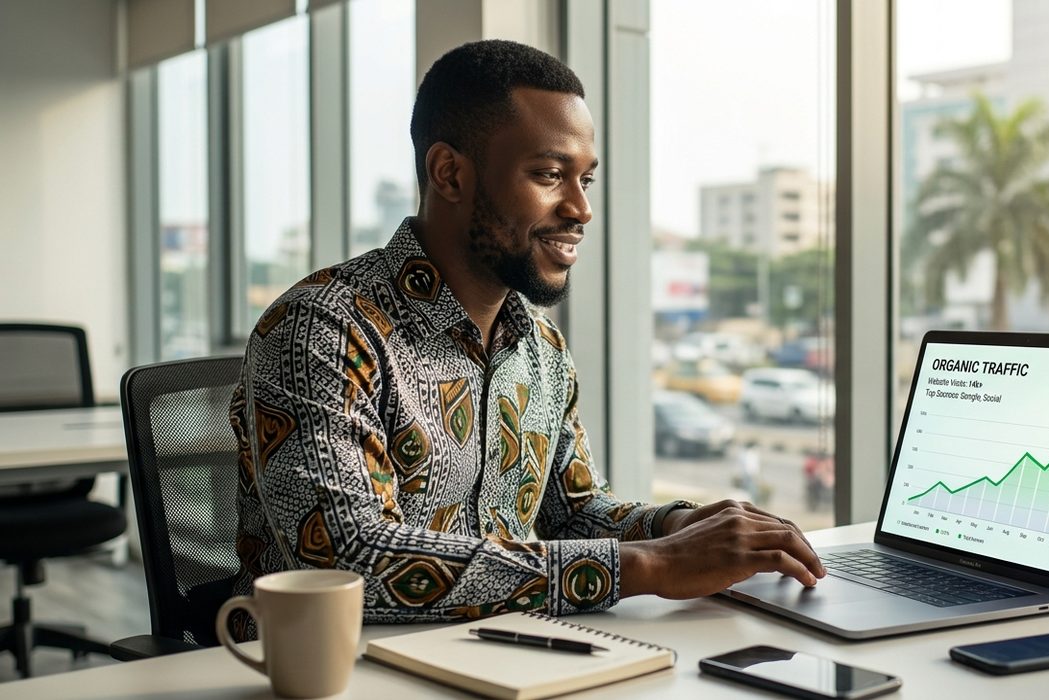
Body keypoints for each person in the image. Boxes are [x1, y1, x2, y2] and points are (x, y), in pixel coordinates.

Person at [228, 40, 823, 637]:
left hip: (494, 657)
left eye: (585, 179)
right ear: (450, 173)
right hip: (334, 674)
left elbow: (574, 511)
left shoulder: (541, 347)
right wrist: (649, 565)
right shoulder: (323, 328)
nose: (581, 208)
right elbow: (343, 559)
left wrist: (681, 527)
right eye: (548, 174)